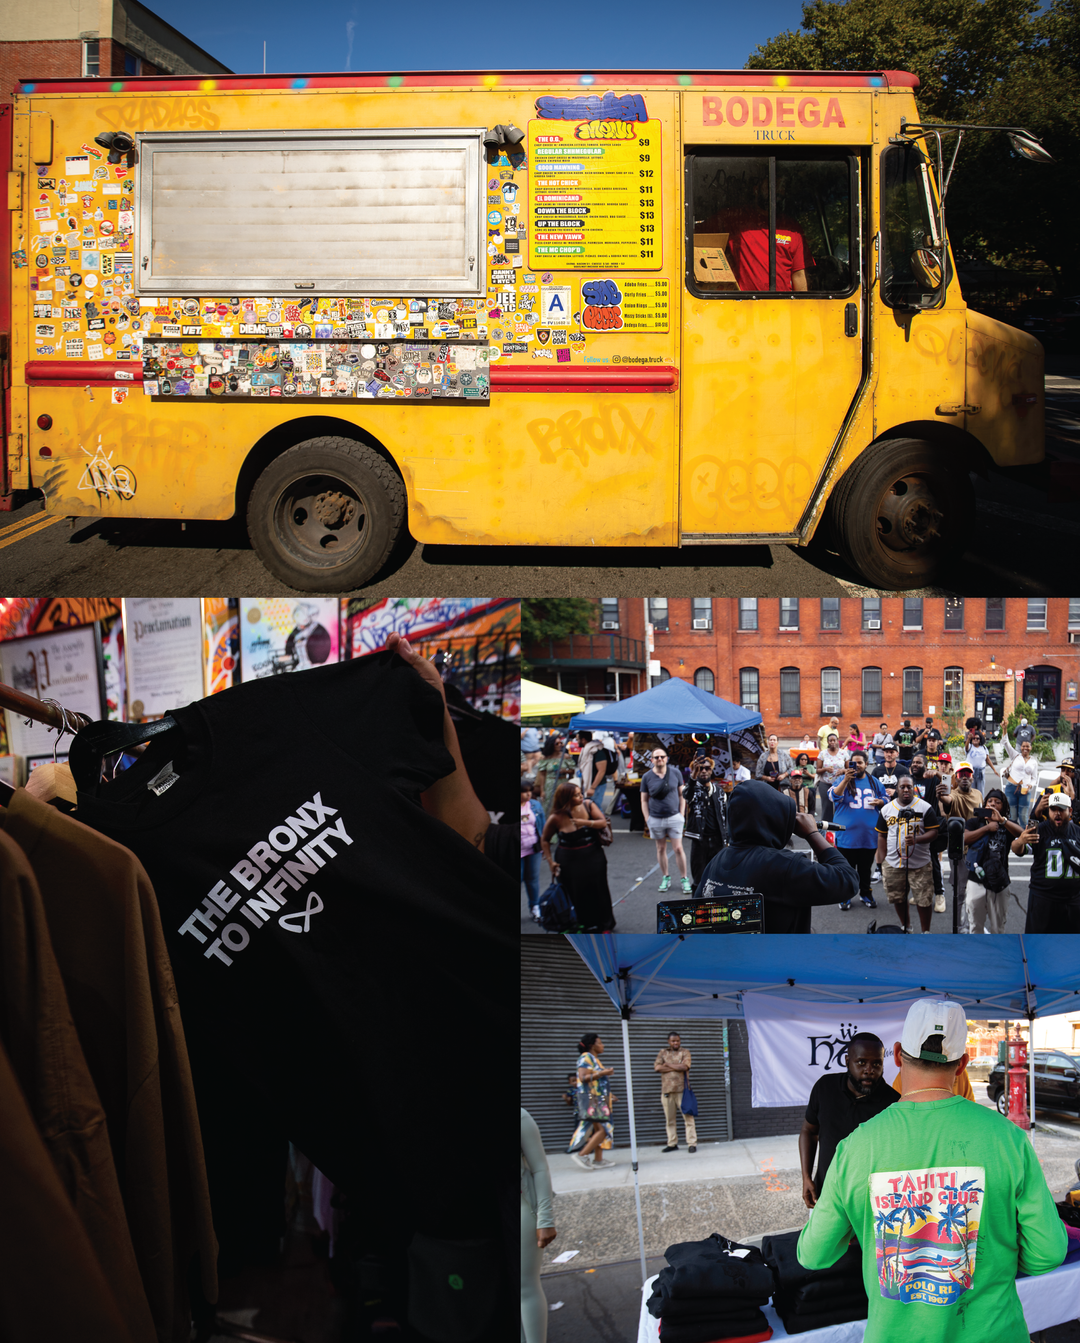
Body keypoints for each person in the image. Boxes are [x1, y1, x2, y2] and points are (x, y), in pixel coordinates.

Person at [796, 997, 1067, 1342]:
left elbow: (813, 1254)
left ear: (897, 1055)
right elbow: (1048, 1252)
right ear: (963, 1064)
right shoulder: (1008, 1139)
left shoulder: (855, 1148)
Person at [695, 780, 858, 931]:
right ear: (773, 818)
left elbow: (698, 916)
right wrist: (813, 834)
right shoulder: (782, 865)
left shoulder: (718, 860)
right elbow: (847, 879)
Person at [799, 1033, 898, 1208]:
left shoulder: (893, 1104)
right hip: (824, 1195)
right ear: (847, 1061)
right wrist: (806, 1177)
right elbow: (809, 1131)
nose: (869, 1070)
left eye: (877, 1064)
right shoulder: (825, 1087)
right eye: (861, 1062)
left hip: (868, 1205)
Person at [706, 167, 808, 292]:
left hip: (782, 302)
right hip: (742, 302)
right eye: (771, 184)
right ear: (756, 189)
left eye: (782, 186)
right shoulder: (733, 217)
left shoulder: (792, 228)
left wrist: (802, 302)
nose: (777, 191)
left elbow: (798, 275)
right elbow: (693, 239)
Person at [540, 783, 614, 932]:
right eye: (576, 795)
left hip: (593, 855)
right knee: (575, 891)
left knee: (599, 889)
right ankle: (580, 922)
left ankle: (604, 923)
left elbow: (602, 822)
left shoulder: (588, 805)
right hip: (568, 859)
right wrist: (550, 862)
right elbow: (545, 840)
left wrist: (585, 823)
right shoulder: (556, 817)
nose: (581, 797)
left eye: (580, 793)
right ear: (566, 798)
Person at [874, 776, 942, 932]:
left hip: (920, 864)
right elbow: (881, 835)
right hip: (893, 863)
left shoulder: (925, 807)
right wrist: (882, 860)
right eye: (902, 787)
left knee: (924, 900)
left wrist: (917, 839)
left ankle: (925, 932)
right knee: (898, 898)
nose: (906, 790)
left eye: (909, 787)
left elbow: (934, 832)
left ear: (914, 788)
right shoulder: (887, 809)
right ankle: (907, 927)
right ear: (897, 789)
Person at [829, 750, 887, 911]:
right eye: (853, 763)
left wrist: (880, 801)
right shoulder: (842, 779)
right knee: (846, 869)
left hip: (868, 836)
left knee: (865, 869)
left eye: (860, 763)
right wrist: (845, 780)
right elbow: (833, 796)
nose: (857, 766)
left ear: (866, 764)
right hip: (846, 836)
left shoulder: (874, 782)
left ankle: (865, 893)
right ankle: (845, 895)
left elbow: (886, 798)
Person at [1015, 791, 1080, 932]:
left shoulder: (1077, 832)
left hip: (1073, 900)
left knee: (1072, 942)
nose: (1057, 814)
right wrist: (1020, 841)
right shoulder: (1040, 830)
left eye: (1061, 810)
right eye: (1053, 809)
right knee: (1039, 941)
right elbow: (1017, 849)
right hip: (1043, 899)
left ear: (1070, 811)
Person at [964, 788, 1023, 934]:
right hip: (976, 881)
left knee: (998, 928)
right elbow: (964, 839)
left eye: (997, 802)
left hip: (999, 883)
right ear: (985, 804)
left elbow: (1022, 834)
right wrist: (987, 828)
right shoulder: (974, 822)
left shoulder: (1007, 824)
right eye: (990, 801)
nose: (993, 804)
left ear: (1003, 806)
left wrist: (1002, 821)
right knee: (975, 926)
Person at [520, 1108, 556, 1343]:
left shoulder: (520, 1117)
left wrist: (545, 1219)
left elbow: (540, 1168)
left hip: (521, 1210)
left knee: (525, 1287)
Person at [934, 761, 983, 921]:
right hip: (960, 852)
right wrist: (941, 796)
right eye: (961, 774)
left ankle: (974, 925)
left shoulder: (978, 794)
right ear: (956, 777)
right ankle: (959, 925)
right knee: (960, 892)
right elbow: (948, 800)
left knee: (978, 891)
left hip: (977, 850)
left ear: (972, 777)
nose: (964, 778)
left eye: (967, 774)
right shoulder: (954, 795)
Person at [640, 748, 692, 895]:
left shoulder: (675, 773)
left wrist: (681, 814)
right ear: (652, 760)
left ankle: (684, 878)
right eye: (656, 757)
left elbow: (682, 795)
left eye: (662, 757)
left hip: (674, 817)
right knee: (661, 848)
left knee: (678, 848)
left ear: (667, 758)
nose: (660, 759)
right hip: (655, 818)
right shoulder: (647, 777)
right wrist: (647, 818)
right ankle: (665, 877)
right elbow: (644, 800)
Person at [568, 1033, 616, 1171]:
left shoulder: (594, 1059)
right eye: (600, 1043)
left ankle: (598, 1160)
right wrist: (603, 1073)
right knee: (603, 1130)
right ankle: (582, 1155)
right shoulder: (586, 1057)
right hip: (592, 1099)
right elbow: (583, 1077)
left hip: (597, 1098)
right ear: (592, 1045)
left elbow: (597, 1083)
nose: (603, 1045)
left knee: (598, 1129)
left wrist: (610, 1095)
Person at [683, 754, 726, 884]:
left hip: (718, 841)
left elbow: (725, 815)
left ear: (711, 771)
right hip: (700, 841)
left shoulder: (720, 792)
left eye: (707, 768)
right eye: (700, 768)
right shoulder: (692, 790)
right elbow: (686, 794)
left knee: (718, 879)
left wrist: (728, 838)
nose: (703, 771)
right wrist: (693, 775)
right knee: (699, 880)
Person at [654, 1031, 697, 1154]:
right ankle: (672, 1143)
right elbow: (657, 1067)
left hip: (683, 1091)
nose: (676, 1043)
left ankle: (692, 1143)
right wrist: (676, 1066)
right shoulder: (663, 1052)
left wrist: (667, 1065)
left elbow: (685, 1067)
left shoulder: (685, 1052)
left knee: (688, 1119)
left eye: (677, 1040)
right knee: (670, 1120)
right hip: (667, 1091)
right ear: (669, 1042)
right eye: (673, 1041)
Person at [1000, 728, 1040, 830]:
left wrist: (1030, 785)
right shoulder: (1015, 756)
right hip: (1011, 788)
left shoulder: (1033, 762)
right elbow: (1006, 743)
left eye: (1027, 746)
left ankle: (1023, 837)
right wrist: (1004, 728)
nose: (1025, 748)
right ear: (1020, 747)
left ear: (1031, 748)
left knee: (1023, 817)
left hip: (1025, 790)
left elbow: (1034, 778)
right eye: (1023, 746)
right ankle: (1011, 836)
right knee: (1012, 816)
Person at [521, 781, 545, 921]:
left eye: (530, 791)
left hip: (533, 849)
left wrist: (544, 846)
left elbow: (543, 826)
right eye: (524, 791)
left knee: (532, 879)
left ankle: (535, 907)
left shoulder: (535, 805)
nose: (528, 794)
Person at [815, 733, 847, 823]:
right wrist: (825, 769)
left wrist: (842, 771)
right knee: (826, 806)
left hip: (840, 784)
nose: (832, 742)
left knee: (840, 805)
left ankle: (839, 824)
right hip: (825, 783)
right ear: (828, 742)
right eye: (830, 740)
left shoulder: (843, 753)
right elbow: (817, 770)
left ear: (837, 741)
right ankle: (826, 826)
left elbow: (849, 769)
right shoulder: (822, 753)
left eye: (834, 740)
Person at [535, 735, 571, 814]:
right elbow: (542, 774)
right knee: (549, 805)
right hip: (549, 784)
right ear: (551, 745)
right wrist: (542, 790)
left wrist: (565, 771)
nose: (560, 745)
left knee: (562, 805)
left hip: (562, 783)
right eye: (557, 743)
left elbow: (572, 771)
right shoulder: (544, 758)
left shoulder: (566, 756)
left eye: (561, 743)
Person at [585, 735, 616, 813]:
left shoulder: (598, 752)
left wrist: (593, 788)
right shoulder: (587, 750)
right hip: (589, 784)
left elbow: (601, 771)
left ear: (583, 739)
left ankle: (601, 820)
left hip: (597, 785)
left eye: (578, 739)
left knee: (596, 809)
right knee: (589, 809)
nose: (577, 741)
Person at [965, 728, 992, 795]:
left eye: (977, 738)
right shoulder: (970, 746)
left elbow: (987, 759)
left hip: (981, 772)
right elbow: (966, 747)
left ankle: (980, 801)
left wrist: (994, 770)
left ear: (980, 740)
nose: (975, 739)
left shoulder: (984, 748)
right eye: (973, 738)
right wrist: (968, 739)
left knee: (980, 791)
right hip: (971, 772)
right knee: (971, 791)